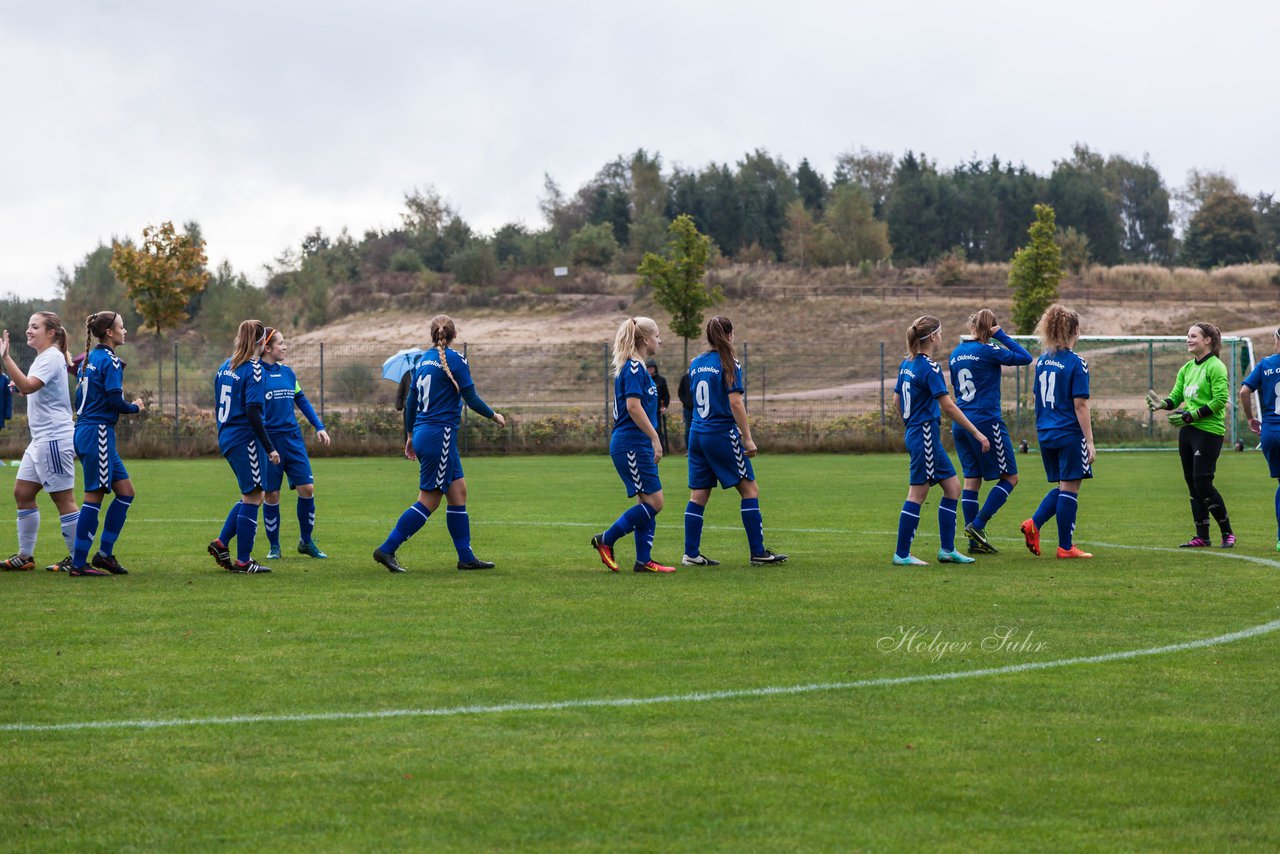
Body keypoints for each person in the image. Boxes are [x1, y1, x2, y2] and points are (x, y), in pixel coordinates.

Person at [373, 315, 506, 573]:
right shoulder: (455, 360)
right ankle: (387, 549)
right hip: (439, 435)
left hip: (424, 432)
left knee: (458, 493)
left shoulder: (422, 360)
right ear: (454, 335)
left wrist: (410, 436)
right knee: (430, 500)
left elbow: (411, 403)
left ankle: (466, 557)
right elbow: (472, 398)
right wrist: (494, 415)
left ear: (432, 335)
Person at [682, 316, 787, 567]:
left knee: (698, 495)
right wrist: (747, 437)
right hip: (720, 434)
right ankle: (758, 552)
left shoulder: (695, 363)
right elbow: (735, 402)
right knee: (750, 490)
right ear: (729, 335)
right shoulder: (729, 362)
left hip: (697, 433)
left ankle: (691, 554)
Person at [892, 315, 991, 566]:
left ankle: (947, 550)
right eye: (941, 332)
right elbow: (948, 405)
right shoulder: (929, 366)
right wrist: (976, 433)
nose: (942, 336)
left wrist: (910, 422)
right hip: (925, 434)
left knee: (953, 488)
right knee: (917, 494)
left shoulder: (907, 364)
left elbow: (896, 401)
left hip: (921, 434)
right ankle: (902, 554)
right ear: (933, 337)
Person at [591, 316, 675, 573]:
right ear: (645, 339)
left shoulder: (637, 368)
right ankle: (605, 540)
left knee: (646, 502)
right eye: (657, 335)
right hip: (631, 445)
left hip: (636, 445)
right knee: (655, 503)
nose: (660, 340)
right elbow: (633, 407)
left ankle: (643, 560)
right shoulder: (635, 369)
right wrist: (655, 437)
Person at [0, 313, 82, 574]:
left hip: (54, 439)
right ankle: (25, 557)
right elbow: (27, 387)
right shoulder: (44, 358)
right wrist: (18, 386)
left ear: (51, 333)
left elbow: (29, 385)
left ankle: (77, 558)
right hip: (40, 441)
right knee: (22, 494)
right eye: (28, 326)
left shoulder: (52, 356)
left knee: (63, 499)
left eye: (35, 326)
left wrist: (6, 359)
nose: (28, 330)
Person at [948, 309, 1033, 554]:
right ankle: (978, 525)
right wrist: (1001, 335)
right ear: (990, 328)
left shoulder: (956, 353)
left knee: (972, 480)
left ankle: (974, 543)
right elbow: (1025, 357)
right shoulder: (988, 350)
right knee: (1010, 478)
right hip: (986, 421)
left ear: (972, 326)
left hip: (961, 423)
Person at [68, 311, 146, 575]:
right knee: (94, 496)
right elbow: (115, 402)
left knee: (126, 492)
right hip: (98, 432)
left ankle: (105, 554)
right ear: (110, 333)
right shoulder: (110, 361)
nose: (125, 331)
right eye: (122, 327)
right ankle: (79, 563)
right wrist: (135, 407)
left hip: (92, 431)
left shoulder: (89, 359)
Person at [1146, 322, 1235, 548]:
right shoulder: (1186, 369)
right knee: (1192, 483)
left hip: (1208, 432)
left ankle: (1227, 533)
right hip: (1188, 432)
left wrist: (1190, 416)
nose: (1189, 339)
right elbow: (1176, 398)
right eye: (1188, 336)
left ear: (1208, 340)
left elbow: (1219, 400)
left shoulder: (1216, 367)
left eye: (1193, 336)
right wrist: (1161, 404)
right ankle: (1202, 536)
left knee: (1202, 481)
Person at [1020, 304, 1095, 560]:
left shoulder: (1042, 361)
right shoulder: (1077, 363)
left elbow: (1036, 396)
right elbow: (1080, 404)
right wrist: (1090, 442)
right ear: (1075, 330)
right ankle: (1065, 547)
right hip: (1069, 433)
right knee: (1071, 488)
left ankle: (1034, 524)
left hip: (1046, 432)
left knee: (1064, 486)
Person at [207, 319, 280, 574]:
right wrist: (269, 447)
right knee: (254, 495)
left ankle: (220, 543)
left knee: (251, 494)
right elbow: (252, 412)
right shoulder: (254, 369)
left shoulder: (226, 366)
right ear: (261, 342)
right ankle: (244, 560)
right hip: (244, 438)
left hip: (227, 434)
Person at [259, 327, 332, 560]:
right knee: (271, 494)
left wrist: (319, 426)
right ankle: (274, 547)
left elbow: (302, 400)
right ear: (267, 348)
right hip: (268, 441)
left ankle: (306, 541)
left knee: (307, 489)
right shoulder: (255, 375)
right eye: (281, 343)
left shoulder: (289, 373)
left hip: (293, 439)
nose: (285, 347)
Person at [1239, 326, 1280, 551]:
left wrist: (1250, 419)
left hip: (1271, 432)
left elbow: (1244, 392)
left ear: (1276, 340)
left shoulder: (1265, 365)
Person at [647, 358, 670, 453]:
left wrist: (664, 406)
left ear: (655, 368)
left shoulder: (661, 380)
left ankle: (661, 450)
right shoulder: (644, 380)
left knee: (658, 430)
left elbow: (666, 395)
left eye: (652, 368)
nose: (650, 370)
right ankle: (649, 449)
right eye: (649, 368)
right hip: (646, 411)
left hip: (657, 411)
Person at [677, 369, 694, 452]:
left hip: (699, 409)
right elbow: (680, 392)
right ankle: (688, 449)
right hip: (687, 409)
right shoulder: (685, 378)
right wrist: (686, 402)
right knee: (688, 429)